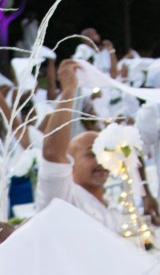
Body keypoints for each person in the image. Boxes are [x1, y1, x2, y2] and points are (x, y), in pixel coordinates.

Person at [38, 58, 115, 227]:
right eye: (91, 154)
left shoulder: (110, 205)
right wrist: (69, 90)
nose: (100, 161)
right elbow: (52, 154)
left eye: (104, 153)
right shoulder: (64, 196)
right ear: (70, 162)